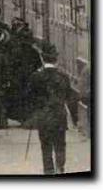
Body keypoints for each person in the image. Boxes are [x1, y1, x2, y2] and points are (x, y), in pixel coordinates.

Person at [26, 42, 79, 175]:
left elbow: (29, 98)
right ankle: (60, 168)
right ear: (56, 59)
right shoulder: (63, 77)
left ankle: (48, 171)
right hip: (59, 115)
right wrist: (74, 118)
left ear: (42, 59)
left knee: (46, 145)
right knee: (60, 144)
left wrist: (31, 115)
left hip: (43, 116)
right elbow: (70, 98)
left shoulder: (36, 77)